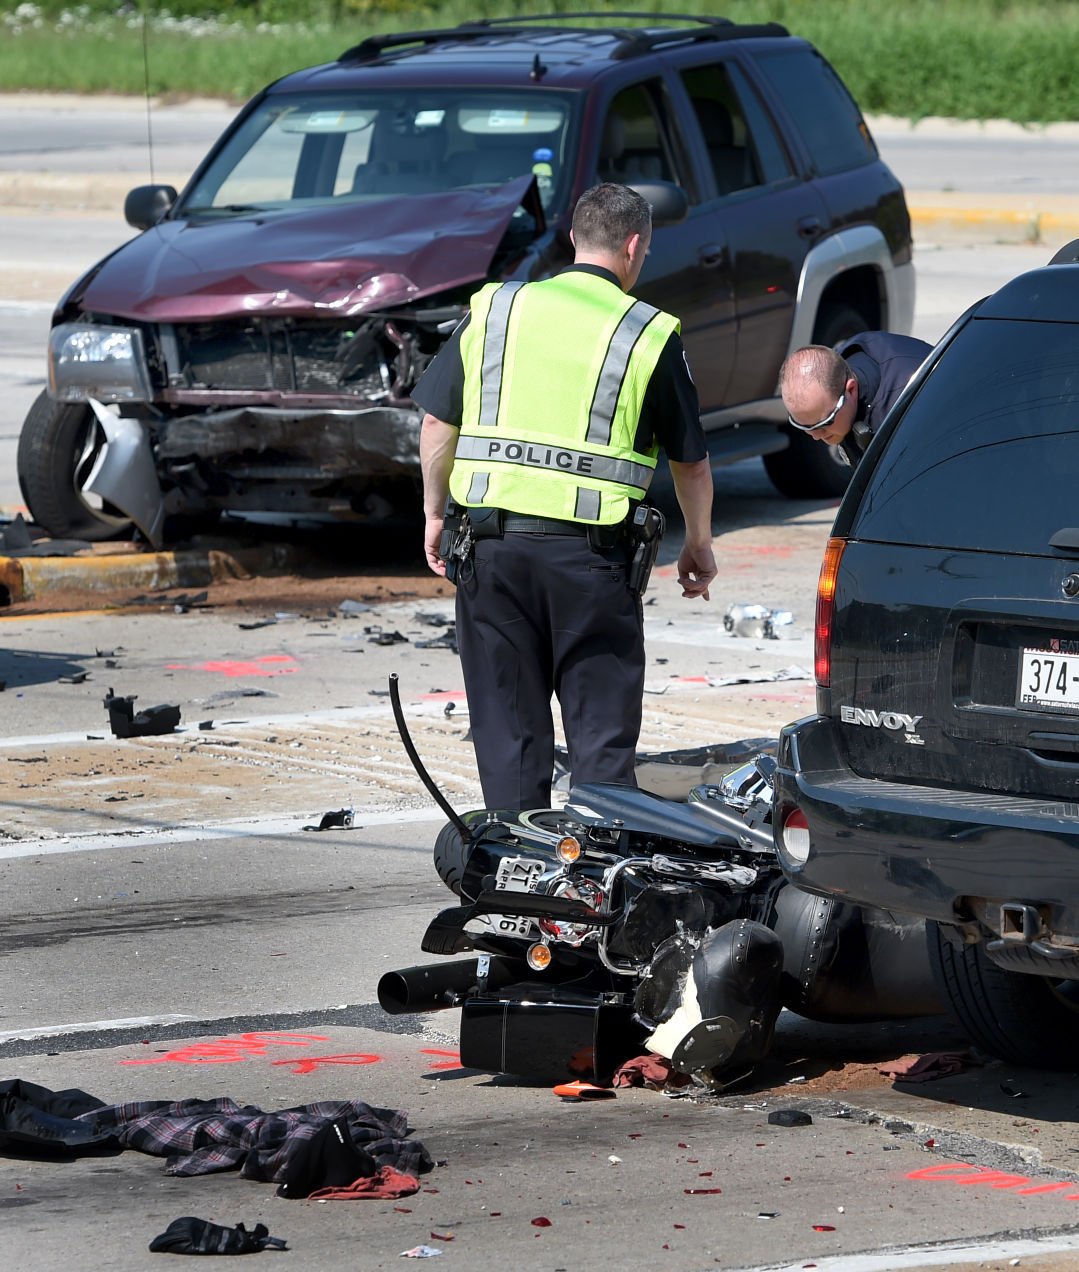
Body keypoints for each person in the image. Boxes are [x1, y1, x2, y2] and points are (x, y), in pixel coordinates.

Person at [413, 182, 717, 811]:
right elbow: (690, 462)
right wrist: (698, 545)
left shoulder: (496, 308)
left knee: (509, 738)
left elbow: (437, 425)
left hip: (490, 551)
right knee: (600, 743)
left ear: (575, 239)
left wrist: (434, 513)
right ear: (635, 246)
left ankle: (519, 888)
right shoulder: (648, 334)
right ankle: (590, 891)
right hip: (591, 563)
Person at [779, 331, 933, 466]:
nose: (816, 436)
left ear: (851, 390)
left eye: (826, 423)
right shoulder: (840, 363)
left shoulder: (911, 404)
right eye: (805, 427)